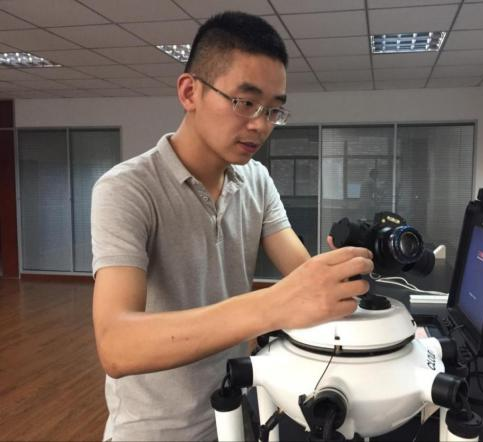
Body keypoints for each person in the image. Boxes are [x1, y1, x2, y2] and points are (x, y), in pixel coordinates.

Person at [91, 11, 373, 441]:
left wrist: (335, 273)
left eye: (274, 110)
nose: (260, 124)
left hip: (235, 416)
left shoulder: (256, 180)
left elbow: (300, 275)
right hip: (155, 432)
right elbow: (116, 345)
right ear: (190, 92)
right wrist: (272, 305)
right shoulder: (127, 189)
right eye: (244, 102)